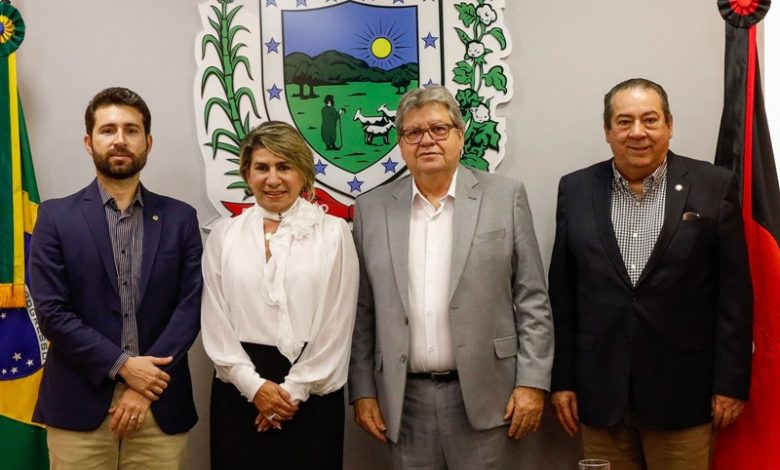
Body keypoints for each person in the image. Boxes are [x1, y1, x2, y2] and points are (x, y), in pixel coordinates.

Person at [549, 78, 753, 470]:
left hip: (684, 395)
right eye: (624, 122)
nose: (637, 133)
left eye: (650, 120)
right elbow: (563, 296)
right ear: (607, 130)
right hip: (599, 395)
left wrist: (730, 384)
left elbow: (734, 296)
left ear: (670, 125)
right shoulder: (575, 189)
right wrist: (563, 380)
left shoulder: (713, 186)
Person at [348, 85, 554, 469]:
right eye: (413, 132)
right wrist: (362, 390)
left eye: (439, 129)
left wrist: (532, 382)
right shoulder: (371, 209)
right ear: (401, 142)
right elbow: (363, 311)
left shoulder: (505, 197)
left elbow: (532, 299)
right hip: (404, 400)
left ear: (460, 136)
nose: (426, 140)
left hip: (489, 395)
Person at [28, 87, 203, 469]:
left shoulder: (180, 218)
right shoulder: (55, 218)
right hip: (79, 408)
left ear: (148, 142)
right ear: (89, 143)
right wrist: (124, 365)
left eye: (131, 130)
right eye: (108, 130)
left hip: (160, 404)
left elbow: (190, 307)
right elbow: (53, 313)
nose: (120, 140)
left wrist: (146, 385)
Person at [201, 120, 359, 469]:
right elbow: (215, 321)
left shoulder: (333, 233)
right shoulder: (223, 235)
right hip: (239, 388)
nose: (273, 179)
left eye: (284, 166)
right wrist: (255, 388)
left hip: (312, 391)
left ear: (303, 171)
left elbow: (337, 323)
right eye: (262, 168)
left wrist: (290, 394)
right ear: (247, 173)